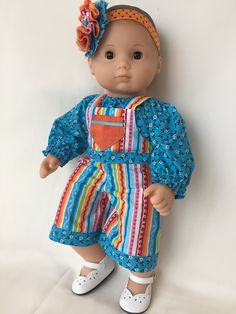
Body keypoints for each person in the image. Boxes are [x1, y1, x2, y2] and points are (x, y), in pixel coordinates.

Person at [40, 1, 195, 313]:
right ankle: (97, 261)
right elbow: (71, 129)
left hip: (137, 180)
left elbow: (173, 145)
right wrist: (56, 154)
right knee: (73, 214)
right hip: (93, 172)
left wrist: (166, 183)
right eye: (110, 55)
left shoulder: (155, 112)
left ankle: (141, 278)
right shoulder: (89, 106)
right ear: (92, 64)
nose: (123, 65)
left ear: (158, 64)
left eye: (136, 55)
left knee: (138, 228)